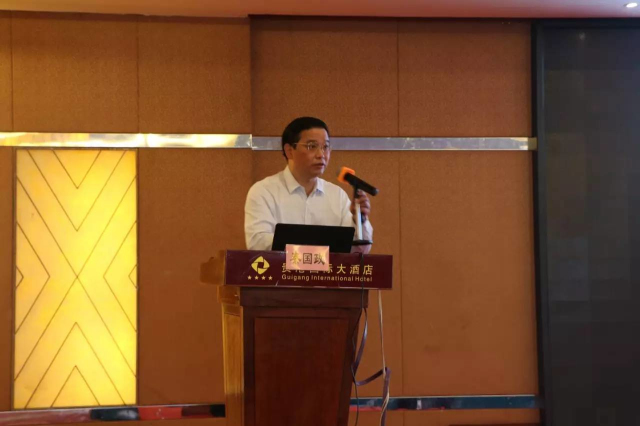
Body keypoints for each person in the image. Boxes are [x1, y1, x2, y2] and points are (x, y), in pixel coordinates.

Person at [244, 116, 373, 253]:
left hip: (328, 269)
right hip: (280, 268)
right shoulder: (264, 191)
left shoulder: (337, 195)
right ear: (289, 151)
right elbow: (257, 243)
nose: (321, 154)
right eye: (312, 146)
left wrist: (360, 220)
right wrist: (315, 245)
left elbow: (360, 250)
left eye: (325, 147)